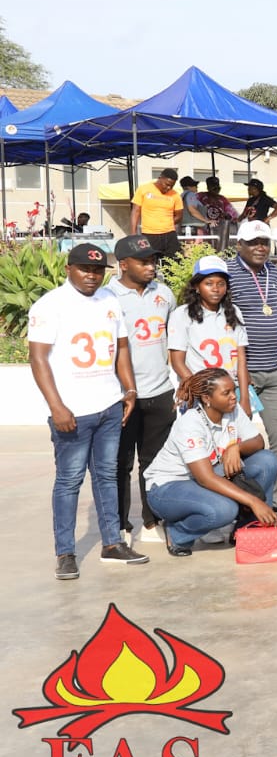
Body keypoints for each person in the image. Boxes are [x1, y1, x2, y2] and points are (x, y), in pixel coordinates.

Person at [29, 242, 147, 577]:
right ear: (69, 269)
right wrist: (57, 406)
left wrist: (129, 390)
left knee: (107, 476)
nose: (92, 275)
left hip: (109, 405)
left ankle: (112, 543)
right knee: (69, 481)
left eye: (97, 270)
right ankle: (65, 552)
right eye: (85, 269)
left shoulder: (109, 299)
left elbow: (121, 346)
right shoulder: (50, 305)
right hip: (72, 412)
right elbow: (38, 359)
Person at [144, 369, 277, 556]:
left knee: (267, 460)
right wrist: (253, 501)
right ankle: (177, 534)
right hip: (168, 487)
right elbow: (205, 478)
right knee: (224, 509)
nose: (233, 397)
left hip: (205, 477)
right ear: (207, 399)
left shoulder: (232, 409)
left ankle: (246, 529)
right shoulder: (191, 423)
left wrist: (236, 448)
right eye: (226, 393)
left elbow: (258, 442)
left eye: (234, 390)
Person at [225, 221, 277, 515]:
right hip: (242, 370)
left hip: (275, 367)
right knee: (233, 439)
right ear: (239, 244)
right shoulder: (227, 273)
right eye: (253, 242)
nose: (260, 247)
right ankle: (236, 501)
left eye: (265, 242)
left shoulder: (274, 273)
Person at [108, 235, 176, 545]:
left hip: (160, 393)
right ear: (123, 265)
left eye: (153, 260)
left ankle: (152, 521)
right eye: (143, 261)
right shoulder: (107, 297)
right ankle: (121, 524)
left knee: (154, 461)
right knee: (120, 464)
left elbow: (174, 340)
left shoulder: (164, 293)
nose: (152, 266)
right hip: (122, 396)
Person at [167, 255, 251, 416]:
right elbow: (178, 362)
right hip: (200, 394)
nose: (215, 289)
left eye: (221, 284)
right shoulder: (182, 315)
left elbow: (241, 360)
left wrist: (245, 398)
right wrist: (200, 392)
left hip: (231, 392)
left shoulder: (234, 312)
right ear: (197, 287)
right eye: (209, 283)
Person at [129, 167, 184, 261]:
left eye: (172, 186)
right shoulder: (144, 189)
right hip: (149, 234)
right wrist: (133, 233)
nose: (168, 188)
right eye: (167, 184)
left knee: (174, 264)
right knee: (149, 263)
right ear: (160, 178)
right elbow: (135, 211)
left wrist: (167, 223)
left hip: (169, 235)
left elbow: (179, 216)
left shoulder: (175, 195)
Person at [197, 175, 239, 245]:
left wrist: (227, 215)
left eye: (217, 187)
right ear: (208, 187)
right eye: (213, 187)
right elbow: (191, 207)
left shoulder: (222, 199)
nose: (216, 189)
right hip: (204, 230)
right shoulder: (200, 196)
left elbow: (233, 215)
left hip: (219, 231)